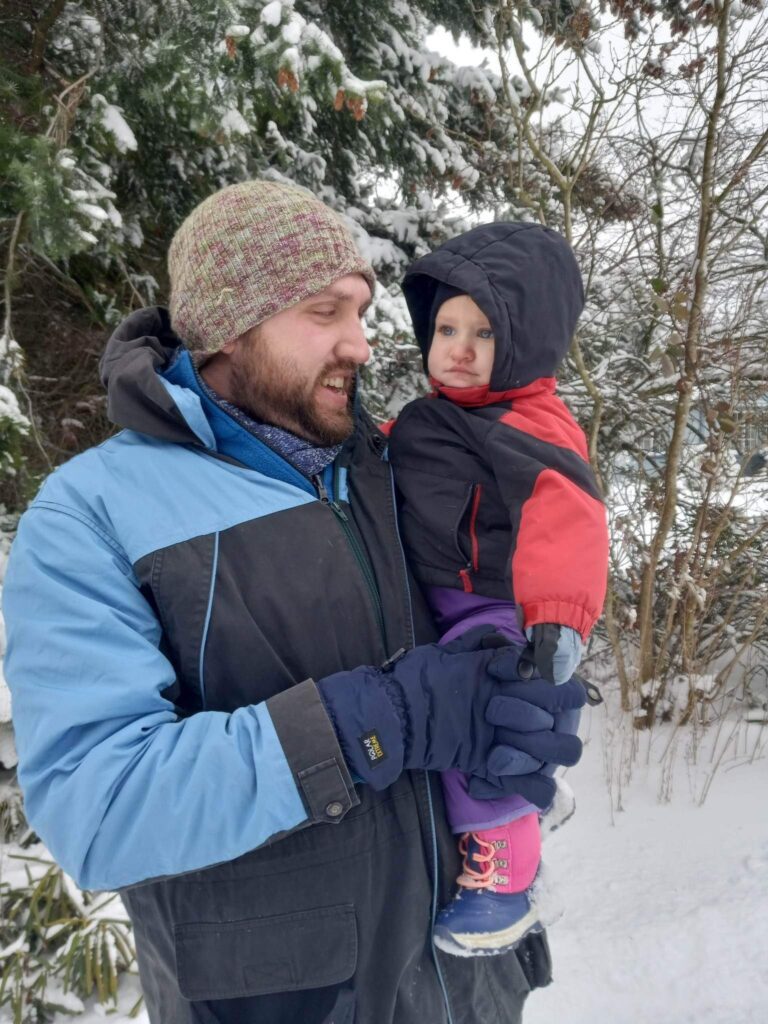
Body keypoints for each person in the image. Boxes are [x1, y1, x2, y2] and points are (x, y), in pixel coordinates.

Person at [2, 182, 587, 1024]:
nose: (360, 342)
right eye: (326, 312)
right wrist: (375, 721)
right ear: (230, 328)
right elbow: (97, 808)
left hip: (467, 990)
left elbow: (499, 609)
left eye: (363, 310)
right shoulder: (93, 512)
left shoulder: (398, 466)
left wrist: (529, 697)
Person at [387, 222, 609, 957]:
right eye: (446, 326)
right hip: (436, 603)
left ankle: (506, 884)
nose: (457, 346)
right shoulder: (433, 417)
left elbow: (566, 516)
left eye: (483, 333)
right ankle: (537, 801)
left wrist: (556, 618)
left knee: (488, 734)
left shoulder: (529, 424)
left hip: (495, 610)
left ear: (524, 344)